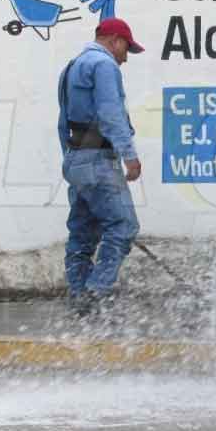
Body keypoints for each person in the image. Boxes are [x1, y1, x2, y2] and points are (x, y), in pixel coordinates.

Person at [58, 17, 144, 315]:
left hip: (76, 158)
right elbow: (111, 113)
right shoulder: (104, 65)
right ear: (114, 40)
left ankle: (79, 297)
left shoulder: (71, 67)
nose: (125, 58)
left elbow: (62, 122)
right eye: (126, 49)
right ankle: (96, 293)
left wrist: (72, 161)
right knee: (123, 226)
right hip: (98, 158)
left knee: (82, 234)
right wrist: (129, 156)